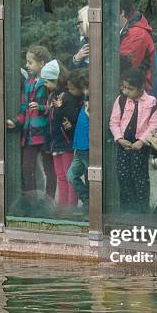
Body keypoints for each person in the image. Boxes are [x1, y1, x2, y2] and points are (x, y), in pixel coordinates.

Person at [6, 45, 56, 199]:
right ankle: (32, 201)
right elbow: (24, 109)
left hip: (45, 133)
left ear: (41, 63)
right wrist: (15, 121)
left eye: (30, 62)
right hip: (29, 133)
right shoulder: (28, 83)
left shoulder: (49, 82)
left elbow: (53, 106)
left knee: (49, 169)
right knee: (27, 167)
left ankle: (50, 199)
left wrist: (41, 107)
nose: (27, 65)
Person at [109, 67, 157, 213]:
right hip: (123, 144)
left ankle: (142, 210)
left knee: (140, 178)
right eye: (124, 87)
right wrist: (119, 138)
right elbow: (113, 121)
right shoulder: (121, 99)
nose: (126, 91)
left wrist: (142, 141)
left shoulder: (152, 101)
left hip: (140, 145)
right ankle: (128, 210)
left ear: (141, 87)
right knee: (124, 177)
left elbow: (153, 125)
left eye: (130, 89)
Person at [43, 59, 81, 210]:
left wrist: (60, 108)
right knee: (60, 176)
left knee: (69, 175)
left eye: (47, 81)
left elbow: (73, 116)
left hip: (65, 142)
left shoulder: (67, 96)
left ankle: (71, 205)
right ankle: (62, 204)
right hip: (55, 142)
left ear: (55, 79)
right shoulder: (53, 95)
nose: (45, 84)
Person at [119, 0, 155, 91]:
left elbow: (123, 65)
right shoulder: (124, 31)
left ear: (122, 13)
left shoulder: (137, 33)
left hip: (138, 91)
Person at [66, 69, 89, 212]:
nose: (86, 91)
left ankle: (92, 205)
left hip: (88, 147)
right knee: (71, 175)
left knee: (91, 178)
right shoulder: (85, 101)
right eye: (84, 88)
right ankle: (87, 200)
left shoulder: (94, 102)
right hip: (79, 148)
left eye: (88, 88)